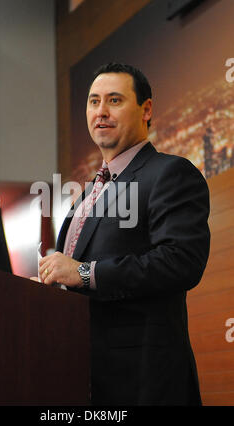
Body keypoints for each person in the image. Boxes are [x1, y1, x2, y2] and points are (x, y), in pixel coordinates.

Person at [36, 63, 210, 406]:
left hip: (143, 382)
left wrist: (84, 273)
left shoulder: (170, 173)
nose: (101, 111)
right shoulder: (86, 196)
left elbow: (181, 262)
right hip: (80, 377)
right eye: (93, 101)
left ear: (146, 110)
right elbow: (75, 282)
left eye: (114, 100)